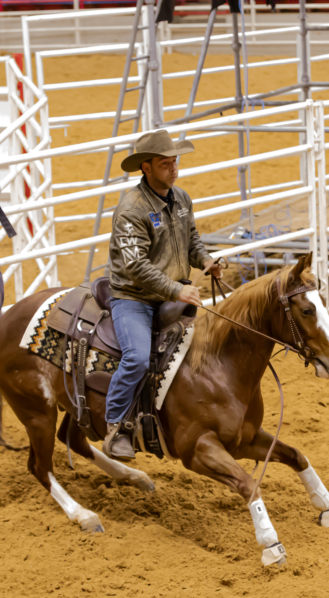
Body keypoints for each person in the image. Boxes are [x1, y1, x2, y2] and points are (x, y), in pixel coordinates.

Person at [102, 129, 224, 461]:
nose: (173, 169)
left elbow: (192, 239)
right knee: (138, 357)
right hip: (134, 298)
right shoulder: (131, 210)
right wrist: (176, 289)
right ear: (146, 168)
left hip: (173, 293)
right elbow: (135, 266)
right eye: (165, 164)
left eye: (175, 162)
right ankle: (115, 426)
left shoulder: (180, 198)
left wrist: (206, 260)